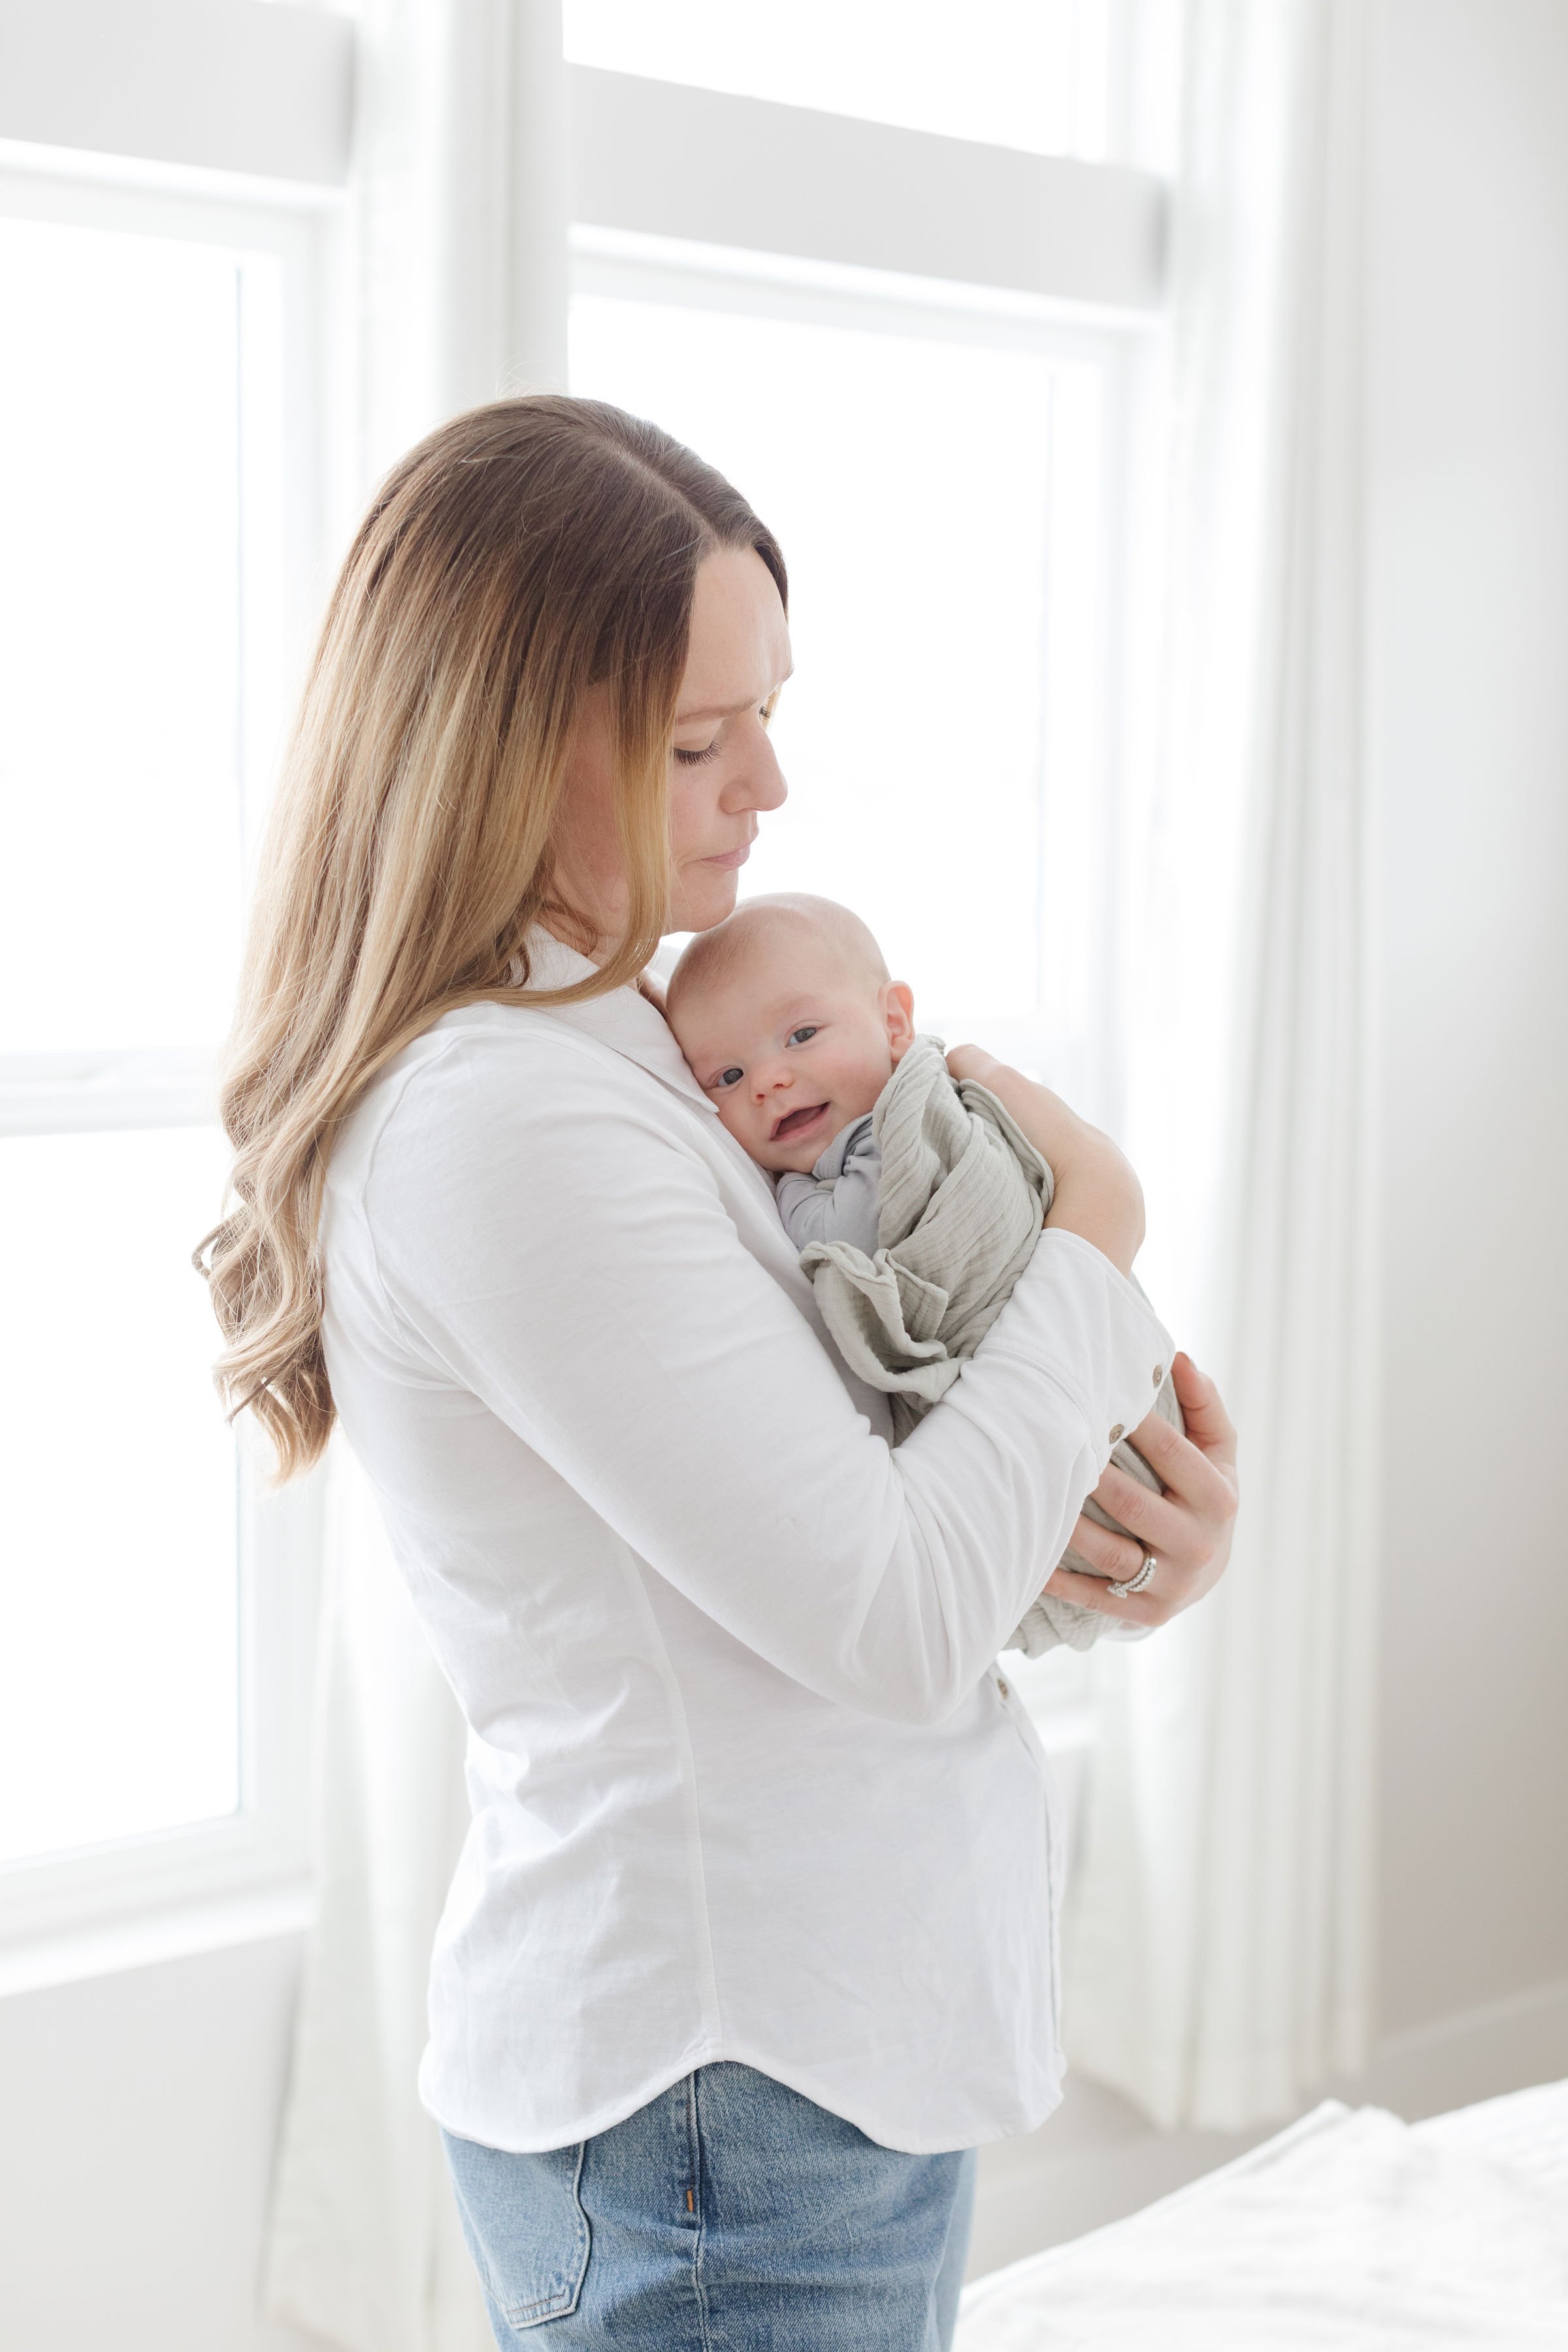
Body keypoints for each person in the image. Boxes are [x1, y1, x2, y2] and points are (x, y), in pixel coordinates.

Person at [199, 394, 1238, 2351]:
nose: (765, 781)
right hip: (723, 2097)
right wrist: (1092, 1237)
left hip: (784, 2060)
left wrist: (1108, 1541)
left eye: (764, 709)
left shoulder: (627, 1050)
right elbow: (883, 1609)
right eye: (694, 738)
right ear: (498, 735)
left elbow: (855, 1488)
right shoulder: (514, 1120)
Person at [664, 890, 1186, 1656]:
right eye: (727, 1076)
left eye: (801, 1035)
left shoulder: (904, 1135)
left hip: (1066, 1380)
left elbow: (853, 1232)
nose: (768, 1081)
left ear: (894, 1023)